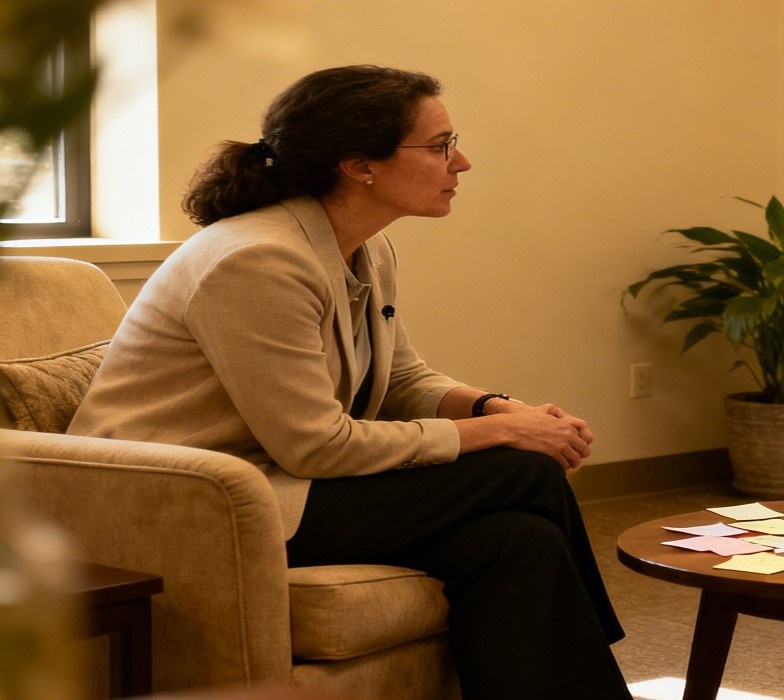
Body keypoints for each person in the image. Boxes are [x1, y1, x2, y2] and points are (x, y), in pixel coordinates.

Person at [68, 65, 631, 698]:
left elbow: (401, 377)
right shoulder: (257, 259)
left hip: (277, 483)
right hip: (188, 504)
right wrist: (500, 431)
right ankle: (606, 637)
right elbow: (317, 446)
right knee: (521, 469)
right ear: (360, 164)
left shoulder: (363, 246)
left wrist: (493, 405)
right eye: (440, 145)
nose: (462, 161)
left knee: (515, 540)